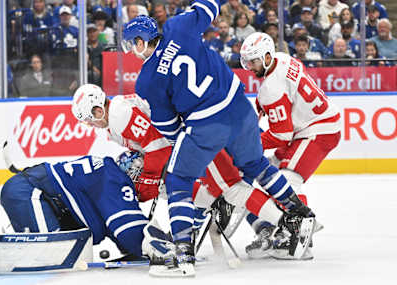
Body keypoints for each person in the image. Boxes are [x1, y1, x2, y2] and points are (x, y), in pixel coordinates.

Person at [122, 5, 316, 275]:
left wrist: (190, 148)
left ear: (142, 41)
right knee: (257, 165)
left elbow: (167, 126)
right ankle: (299, 216)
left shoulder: (146, 80)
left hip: (205, 125)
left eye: (132, 44)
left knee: (178, 179)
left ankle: (182, 256)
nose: (132, 50)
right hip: (240, 109)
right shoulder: (179, 27)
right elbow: (209, 5)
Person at [71, 84, 292, 255]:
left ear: (98, 110)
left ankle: (290, 223)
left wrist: (148, 180)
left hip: (197, 137)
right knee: (219, 190)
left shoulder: (119, 115)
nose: (90, 125)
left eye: (90, 119)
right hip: (190, 140)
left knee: (229, 189)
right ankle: (206, 221)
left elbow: (157, 146)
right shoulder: (115, 119)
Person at [241, 32, 341, 260]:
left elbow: (281, 134)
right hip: (311, 126)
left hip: (317, 131)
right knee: (268, 173)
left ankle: (300, 236)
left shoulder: (270, 89)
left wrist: (251, 144)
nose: (250, 67)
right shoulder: (283, 58)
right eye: (247, 62)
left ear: (266, 57)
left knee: (285, 181)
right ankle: (272, 226)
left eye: (253, 61)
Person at [0, 154, 149, 258]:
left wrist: (134, 248)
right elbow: (127, 228)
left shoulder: (106, 174)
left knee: (66, 253)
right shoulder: (116, 180)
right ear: (135, 173)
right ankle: (7, 252)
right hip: (28, 192)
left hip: (26, 190)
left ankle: (13, 249)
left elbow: (116, 229)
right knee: (52, 254)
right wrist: (152, 246)